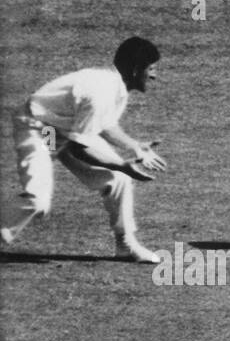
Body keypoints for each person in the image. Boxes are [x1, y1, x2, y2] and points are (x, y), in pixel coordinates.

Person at [2, 37, 166, 262]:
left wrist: (133, 145)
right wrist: (123, 165)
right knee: (39, 200)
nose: (155, 76)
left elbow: (105, 124)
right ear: (137, 70)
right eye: (152, 69)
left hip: (64, 131)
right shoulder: (99, 93)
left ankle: (126, 245)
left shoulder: (116, 86)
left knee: (119, 180)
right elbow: (81, 149)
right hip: (42, 130)